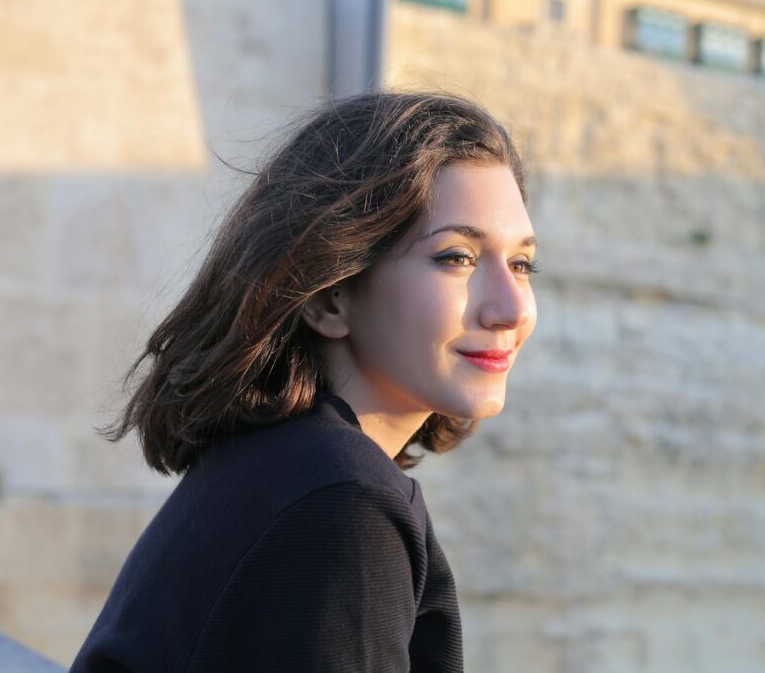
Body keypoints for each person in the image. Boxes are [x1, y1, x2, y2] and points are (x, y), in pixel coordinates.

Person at [69, 89, 539, 672]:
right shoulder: (341, 504)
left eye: (521, 264)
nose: (512, 310)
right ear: (330, 296)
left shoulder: (281, 461)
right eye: (456, 257)